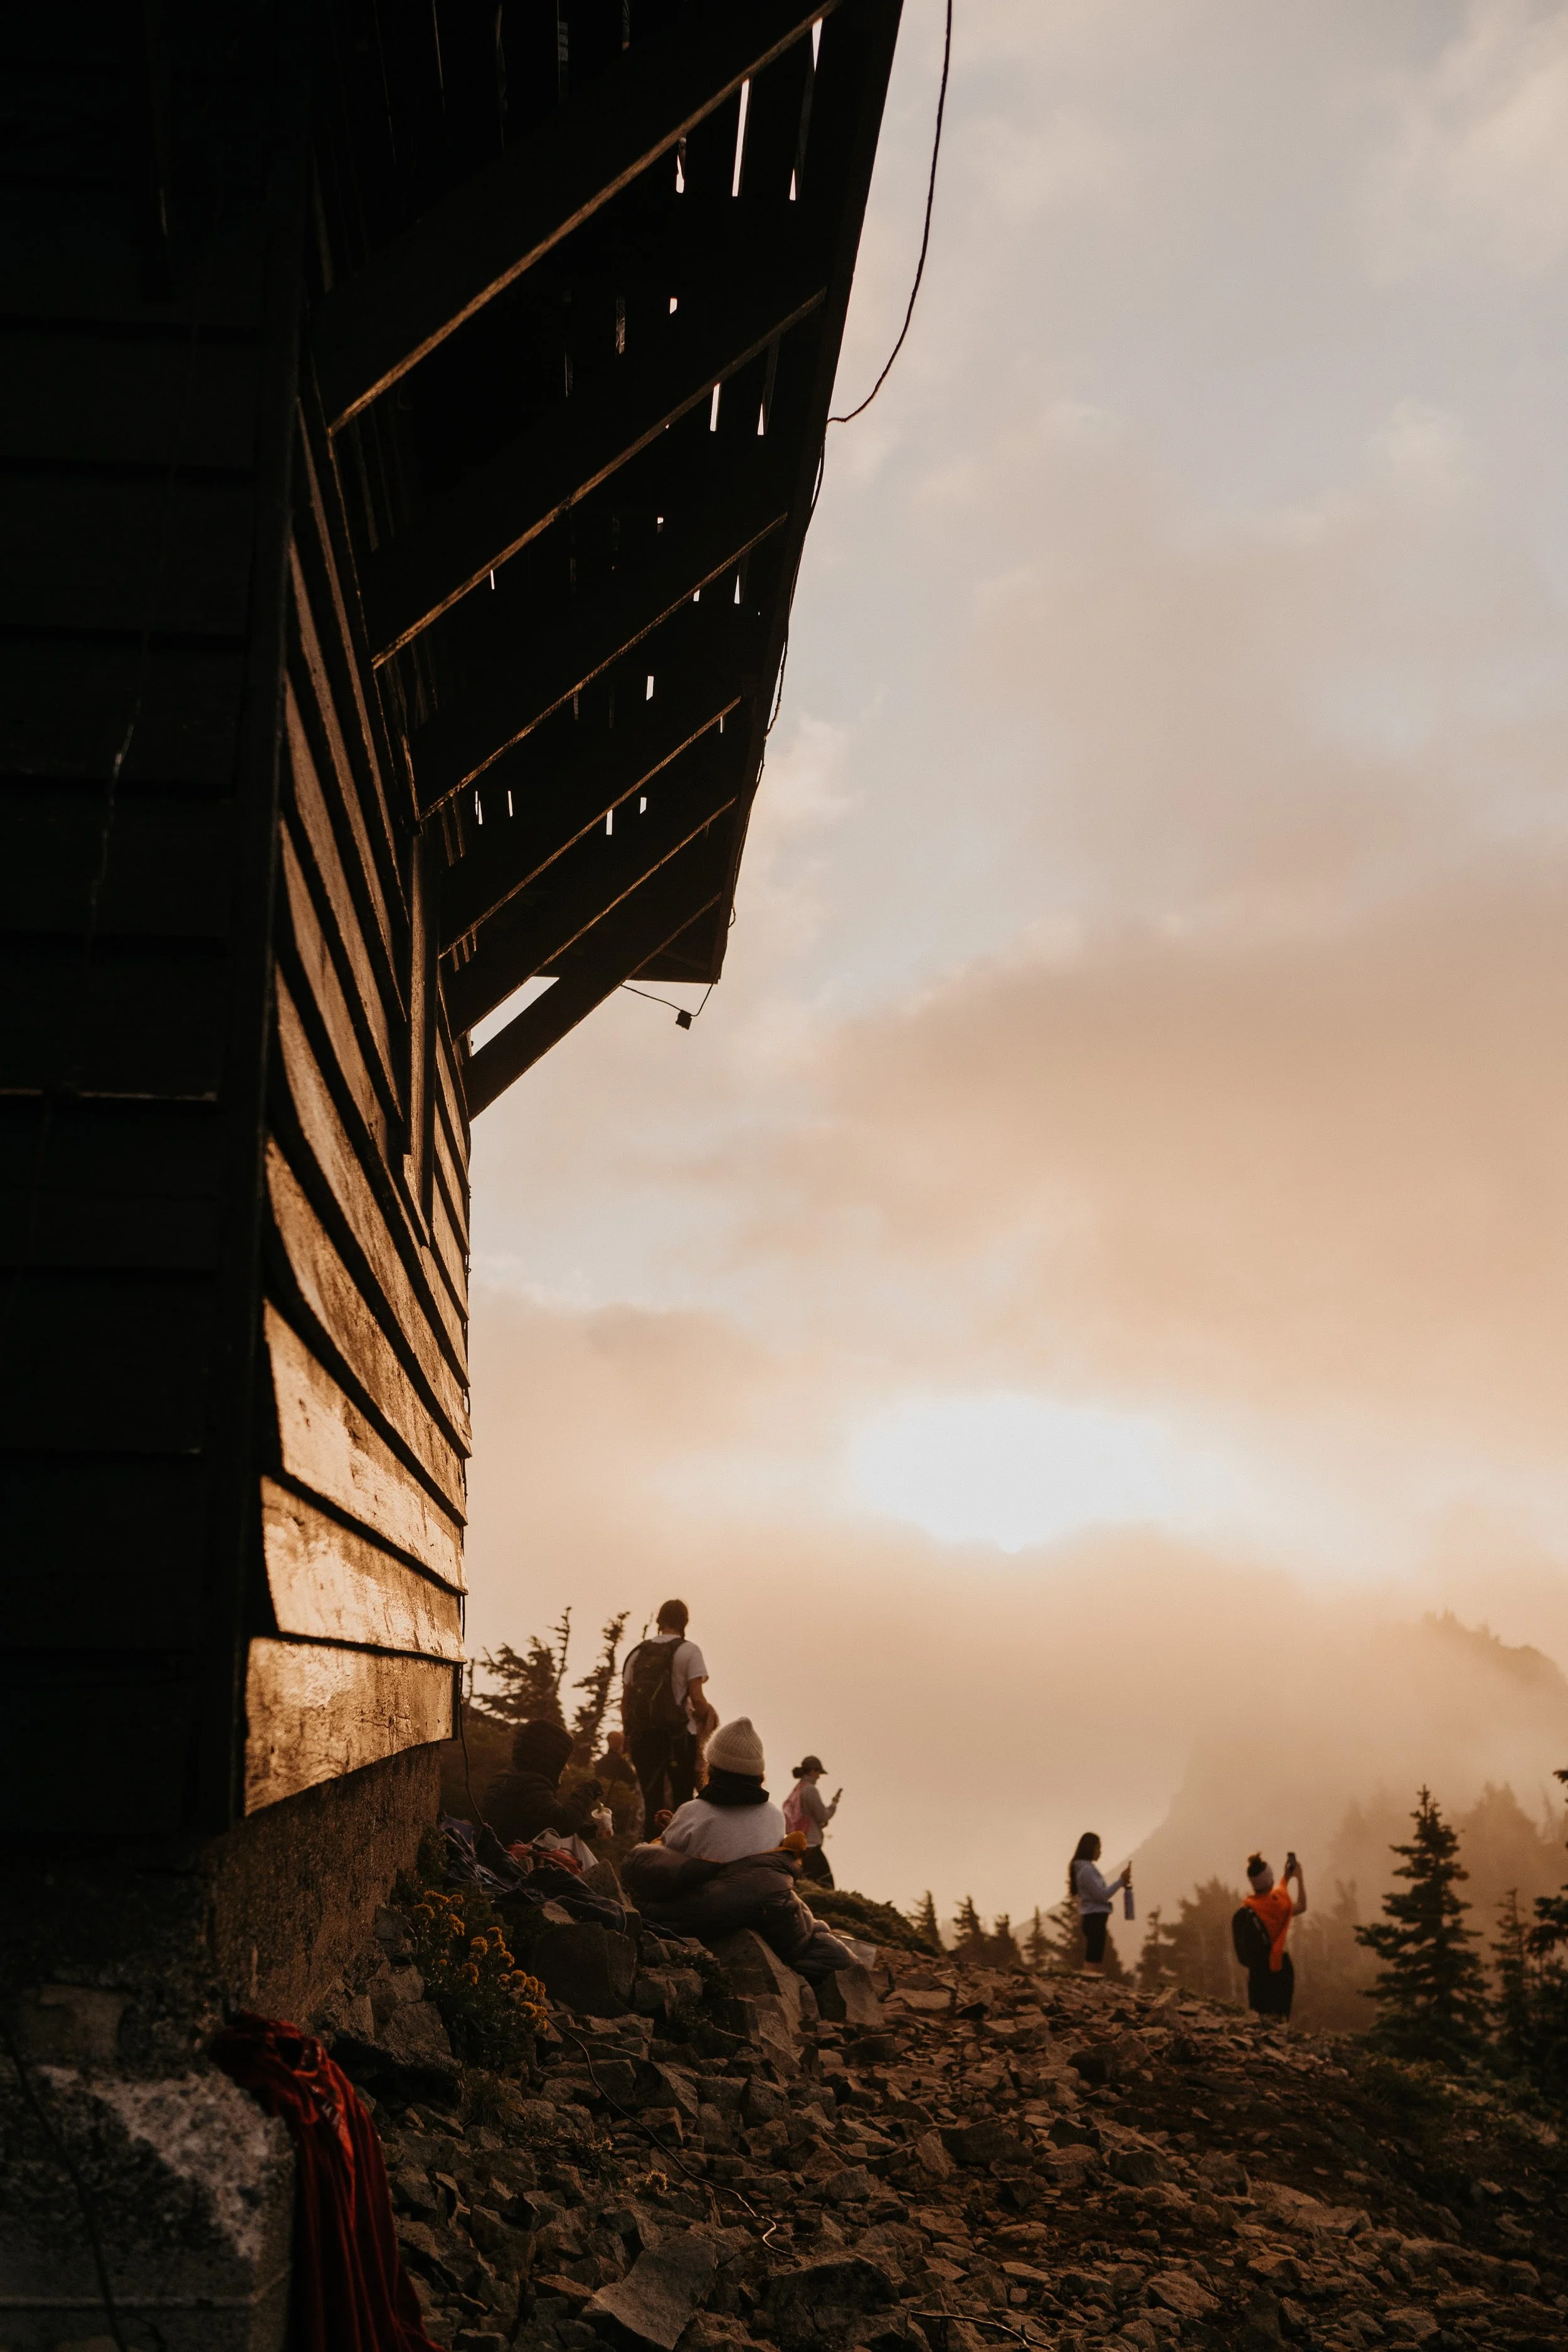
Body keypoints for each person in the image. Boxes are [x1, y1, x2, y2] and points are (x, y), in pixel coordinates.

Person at [621, 1599, 716, 1822]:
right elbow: (697, 1699)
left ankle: (650, 1851)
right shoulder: (690, 1651)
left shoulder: (637, 1653)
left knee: (652, 1805)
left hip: (643, 1737)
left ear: (659, 1621)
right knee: (682, 1805)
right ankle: (679, 1853)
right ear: (685, 1622)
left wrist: (628, 1734)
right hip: (678, 1739)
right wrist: (710, 1719)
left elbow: (625, 1702)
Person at [660, 1718, 785, 1862]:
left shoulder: (691, 1812)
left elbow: (668, 1855)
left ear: (711, 1769)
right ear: (758, 1774)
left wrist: (677, 1826)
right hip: (762, 1884)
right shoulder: (776, 1818)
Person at [484, 1720, 604, 1848]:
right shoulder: (528, 1785)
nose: (566, 1768)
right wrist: (587, 1789)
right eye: (563, 1761)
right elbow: (563, 1824)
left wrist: (591, 1830)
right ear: (549, 1759)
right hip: (506, 1863)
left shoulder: (513, 1778)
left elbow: (542, 1824)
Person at [1240, 1850, 1307, 2021]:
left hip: (1257, 1973)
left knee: (1259, 2021)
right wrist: (1298, 1878)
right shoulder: (1279, 1906)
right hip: (1279, 1969)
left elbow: (1276, 1892)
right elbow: (1301, 1906)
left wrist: (1286, 1878)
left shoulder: (1249, 1907)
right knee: (1280, 2021)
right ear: (1270, 1879)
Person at [1069, 1831, 1130, 1975]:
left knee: (1095, 1952)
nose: (1100, 1852)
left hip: (1093, 1917)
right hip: (1094, 1917)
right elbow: (1102, 1895)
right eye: (1098, 1848)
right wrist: (1121, 1881)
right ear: (1090, 1849)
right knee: (1094, 1954)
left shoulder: (1084, 1868)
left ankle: (1092, 1981)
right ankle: (1090, 1981)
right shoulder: (1087, 1870)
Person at [783, 1756, 840, 1887]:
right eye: (818, 1772)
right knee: (826, 1884)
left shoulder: (798, 1789)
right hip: (811, 1845)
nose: (819, 1776)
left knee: (806, 1884)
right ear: (812, 1771)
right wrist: (834, 1804)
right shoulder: (810, 1790)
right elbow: (822, 1816)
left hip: (800, 1844)